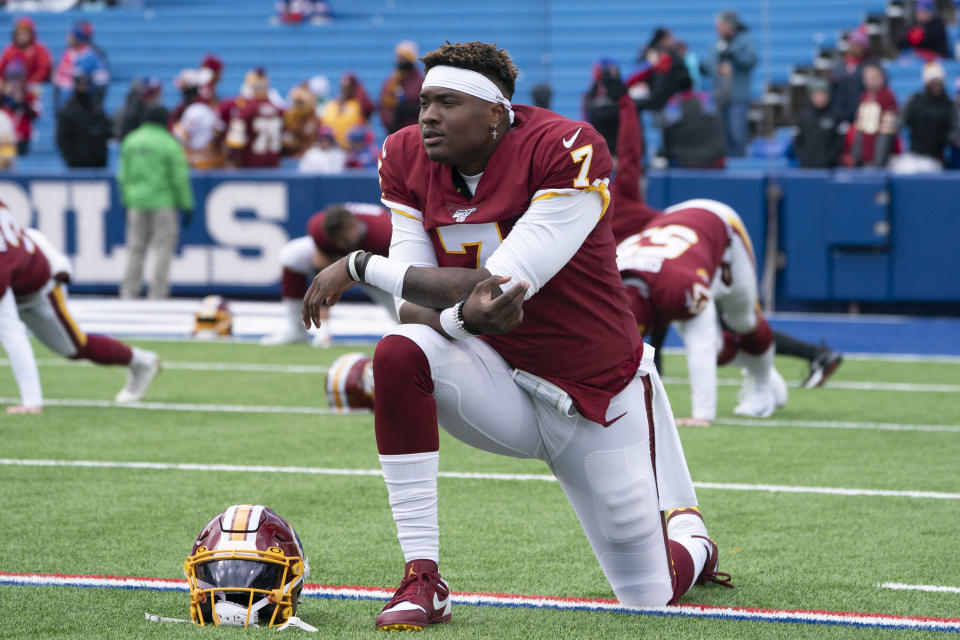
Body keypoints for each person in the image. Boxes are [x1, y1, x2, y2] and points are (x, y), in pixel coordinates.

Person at [301, 41, 731, 631]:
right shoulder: (404, 155)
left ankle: (692, 540)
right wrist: (459, 321)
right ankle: (422, 578)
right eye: (424, 102)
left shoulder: (566, 147)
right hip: (495, 375)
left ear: (496, 115)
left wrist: (357, 266)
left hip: (592, 390)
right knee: (401, 352)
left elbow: (500, 283)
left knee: (647, 594)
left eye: (447, 102)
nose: (426, 115)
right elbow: (412, 305)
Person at [617, 199, 787, 425]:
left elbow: (701, 344)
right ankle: (757, 364)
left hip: (719, 226)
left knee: (742, 320)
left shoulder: (676, 290)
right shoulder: (611, 274)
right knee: (715, 348)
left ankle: (762, 385)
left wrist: (702, 415)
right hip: (675, 231)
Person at [0, 206, 161, 414]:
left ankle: (142, 361)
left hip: (37, 290)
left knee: (75, 347)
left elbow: (12, 333)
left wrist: (31, 402)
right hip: (20, 272)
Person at [262, 203, 395, 347]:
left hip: (374, 263)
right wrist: (323, 330)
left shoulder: (384, 234)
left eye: (344, 240)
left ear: (355, 226)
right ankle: (296, 330)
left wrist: (362, 277)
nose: (340, 245)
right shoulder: (320, 229)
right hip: (338, 260)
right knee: (291, 256)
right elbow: (322, 274)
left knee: (404, 313)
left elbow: (397, 269)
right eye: (336, 241)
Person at [117, 104, 194, 299]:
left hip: (136, 202)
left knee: (135, 248)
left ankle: (128, 291)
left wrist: (126, 200)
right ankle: (158, 293)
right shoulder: (169, 143)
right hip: (163, 203)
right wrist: (186, 204)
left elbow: (123, 175)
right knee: (163, 249)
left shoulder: (131, 141)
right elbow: (179, 178)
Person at [702, 10, 756, 156]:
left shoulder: (744, 41)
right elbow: (708, 64)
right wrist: (718, 68)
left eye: (721, 24)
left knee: (737, 132)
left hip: (737, 94)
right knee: (721, 133)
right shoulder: (716, 43)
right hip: (719, 95)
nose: (718, 28)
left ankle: (739, 165)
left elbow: (751, 61)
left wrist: (734, 57)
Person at [900, 62, 959, 165]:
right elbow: (901, 121)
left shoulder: (949, 105)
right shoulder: (915, 100)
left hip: (936, 156)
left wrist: (943, 137)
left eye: (938, 80)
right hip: (914, 155)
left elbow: (954, 132)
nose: (936, 84)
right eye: (933, 81)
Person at [842, 62, 900, 167]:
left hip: (880, 158)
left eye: (874, 77)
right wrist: (855, 154)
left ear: (882, 77)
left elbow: (887, 131)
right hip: (864, 154)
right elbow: (859, 128)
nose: (870, 80)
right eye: (867, 77)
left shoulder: (888, 97)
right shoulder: (863, 96)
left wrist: (880, 160)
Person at [225, 69, 284, 168]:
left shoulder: (247, 109)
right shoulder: (279, 109)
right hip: (274, 165)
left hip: (250, 166)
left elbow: (235, 141)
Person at [55, 68, 111, 168]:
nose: (83, 88)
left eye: (85, 85)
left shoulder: (95, 108)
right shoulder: (68, 110)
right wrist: (70, 159)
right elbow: (62, 138)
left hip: (97, 164)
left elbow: (107, 131)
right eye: (80, 85)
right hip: (76, 165)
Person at [51, 22, 108, 111]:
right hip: (65, 107)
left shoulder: (92, 57)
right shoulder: (66, 55)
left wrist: (95, 106)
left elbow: (101, 84)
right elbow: (57, 83)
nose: (68, 37)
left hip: (84, 107)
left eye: (71, 35)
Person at [793, 77, 848, 168]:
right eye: (817, 94)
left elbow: (840, 141)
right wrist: (803, 158)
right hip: (807, 165)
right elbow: (797, 141)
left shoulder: (837, 116)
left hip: (829, 167)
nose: (820, 98)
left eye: (823, 94)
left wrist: (828, 158)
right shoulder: (802, 115)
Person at [831, 25, 876, 124]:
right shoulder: (839, 66)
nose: (855, 47)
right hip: (840, 115)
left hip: (863, 116)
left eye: (859, 44)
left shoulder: (872, 66)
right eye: (853, 44)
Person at [379, 40, 424, 135]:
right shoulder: (391, 82)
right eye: (398, 58)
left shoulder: (419, 81)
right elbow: (384, 106)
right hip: (394, 132)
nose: (400, 61)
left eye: (403, 58)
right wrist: (390, 123)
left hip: (415, 131)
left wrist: (407, 109)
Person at [320, 72, 374, 150]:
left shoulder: (359, 104)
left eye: (347, 87)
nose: (345, 90)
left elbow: (366, 128)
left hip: (353, 149)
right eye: (343, 87)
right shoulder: (331, 104)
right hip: (332, 149)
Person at [0, 17, 51, 98]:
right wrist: (3, 84)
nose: (22, 37)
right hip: (10, 89)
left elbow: (43, 69)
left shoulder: (39, 50)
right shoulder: (9, 51)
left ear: (31, 34)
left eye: (25, 33)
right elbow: (1, 70)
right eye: (20, 34)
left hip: (31, 88)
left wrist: (26, 85)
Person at [0, 59, 40, 156]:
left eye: (18, 78)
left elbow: (36, 114)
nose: (14, 82)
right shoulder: (3, 96)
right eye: (11, 77)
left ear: (23, 79)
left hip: (23, 140)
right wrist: (3, 96)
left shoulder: (29, 95)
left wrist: (22, 101)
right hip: (4, 141)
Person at [283, 84, 318, 158]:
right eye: (296, 103)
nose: (298, 106)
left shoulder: (312, 116)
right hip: (294, 150)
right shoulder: (290, 115)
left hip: (309, 153)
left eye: (300, 103)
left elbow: (309, 133)